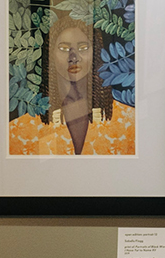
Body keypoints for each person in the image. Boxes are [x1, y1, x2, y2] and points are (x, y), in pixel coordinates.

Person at [9, 15, 135, 155]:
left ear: (96, 53)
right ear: (50, 55)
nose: (74, 57)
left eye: (83, 47)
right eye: (63, 48)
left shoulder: (130, 122)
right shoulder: (19, 130)